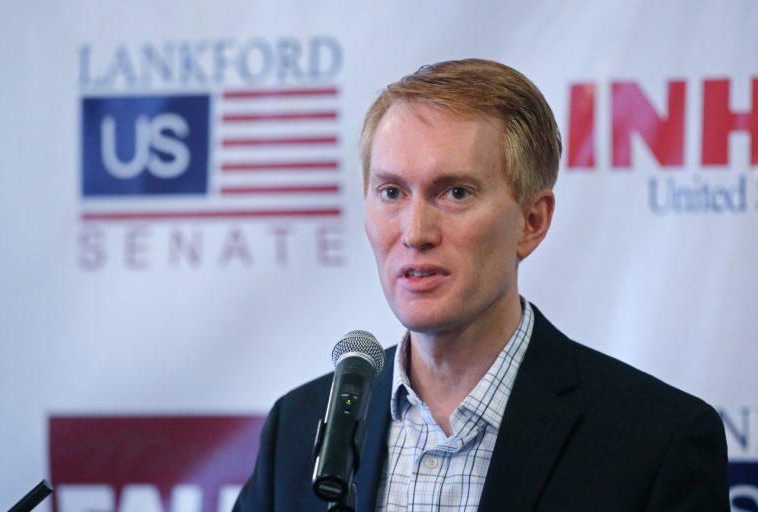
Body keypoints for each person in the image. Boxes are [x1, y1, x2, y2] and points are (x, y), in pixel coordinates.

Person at [233, 59, 729, 511]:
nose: (414, 233)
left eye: (455, 192)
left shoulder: (656, 439)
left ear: (531, 221)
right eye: (391, 192)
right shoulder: (296, 430)